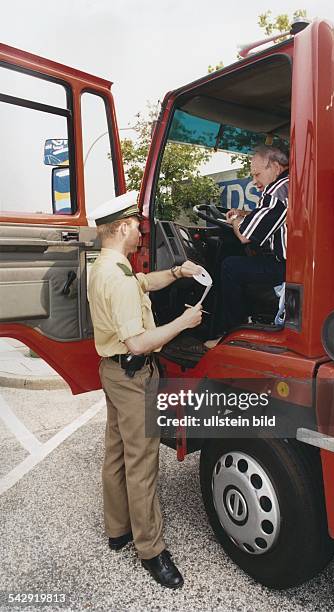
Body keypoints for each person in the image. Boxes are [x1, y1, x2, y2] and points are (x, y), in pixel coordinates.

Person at [87, 192, 203, 589]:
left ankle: (118, 531)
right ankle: (152, 551)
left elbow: (141, 283)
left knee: (116, 454)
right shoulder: (115, 279)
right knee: (142, 465)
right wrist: (184, 323)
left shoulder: (107, 267)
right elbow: (137, 343)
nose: (140, 230)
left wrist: (177, 272)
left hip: (113, 372)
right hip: (133, 375)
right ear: (121, 227)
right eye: (136, 224)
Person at [221, 145, 289, 330]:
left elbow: (244, 236)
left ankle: (233, 330)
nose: (254, 181)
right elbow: (272, 217)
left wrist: (235, 219)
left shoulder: (275, 193)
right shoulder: (290, 185)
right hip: (295, 264)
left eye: (257, 175)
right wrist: (245, 213)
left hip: (285, 267)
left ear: (275, 167)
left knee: (230, 266)